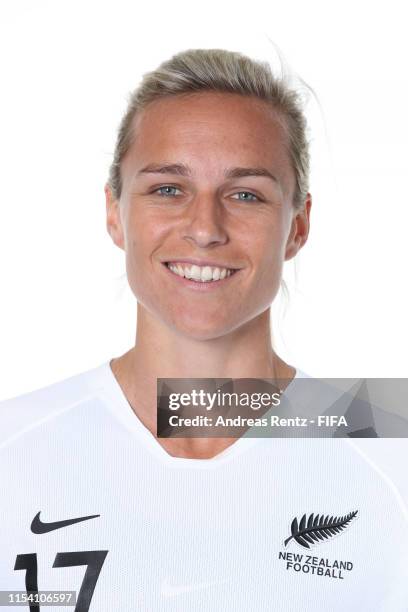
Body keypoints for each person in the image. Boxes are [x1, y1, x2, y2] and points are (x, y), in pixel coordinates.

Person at [0, 48, 407, 611]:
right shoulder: (11, 454)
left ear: (298, 226)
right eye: (168, 188)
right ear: (115, 212)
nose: (204, 228)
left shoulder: (388, 464)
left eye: (246, 195)